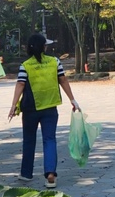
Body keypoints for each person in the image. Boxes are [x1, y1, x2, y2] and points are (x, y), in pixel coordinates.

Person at [8, 34, 81, 188]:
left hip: (30, 108)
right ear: (43, 47)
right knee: (49, 139)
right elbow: (63, 80)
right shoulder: (55, 62)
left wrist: (13, 105)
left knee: (29, 140)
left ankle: (26, 173)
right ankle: (50, 174)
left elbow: (20, 85)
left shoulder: (25, 65)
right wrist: (72, 100)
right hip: (50, 107)